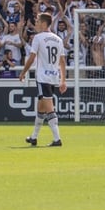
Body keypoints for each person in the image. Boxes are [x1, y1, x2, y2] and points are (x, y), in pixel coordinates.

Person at [20, 11, 66, 147]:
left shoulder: (38, 38)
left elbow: (32, 57)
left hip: (42, 77)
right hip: (53, 77)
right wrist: (63, 80)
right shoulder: (58, 39)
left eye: (38, 21)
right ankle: (34, 137)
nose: (36, 24)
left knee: (49, 109)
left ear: (44, 23)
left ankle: (57, 139)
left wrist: (23, 72)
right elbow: (62, 61)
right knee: (41, 107)